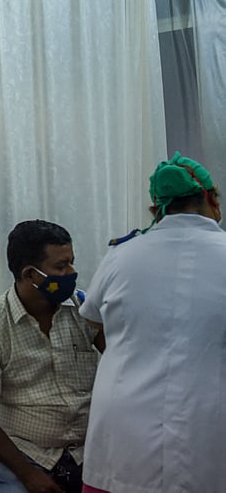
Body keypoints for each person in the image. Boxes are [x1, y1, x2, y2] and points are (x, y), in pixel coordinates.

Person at [78, 153, 226, 493]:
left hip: (124, 432)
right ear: (211, 198)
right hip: (208, 429)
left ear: (155, 209)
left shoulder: (120, 255)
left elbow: (95, 322)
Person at [0, 220, 104, 493]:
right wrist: (28, 475)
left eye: (72, 263)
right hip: (24, 458)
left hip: (89, 453)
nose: (72, 273)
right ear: (31, 274)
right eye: (61, 267)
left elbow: (119, 359)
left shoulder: (83, 309)